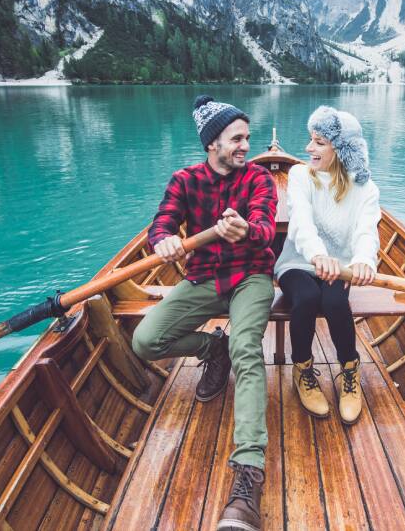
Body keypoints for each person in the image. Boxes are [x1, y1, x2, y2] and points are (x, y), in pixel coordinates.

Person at [131, 95, 277, 531]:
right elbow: (162, 222)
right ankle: (215, 348)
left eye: (247, 138)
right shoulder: (184, 180)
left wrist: (247, 230)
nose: (245, 146)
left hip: (251, 274)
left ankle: (248, 475)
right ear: (212, 142)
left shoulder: (259, 179)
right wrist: (163, 240)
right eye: (237, 138)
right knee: (145, 341)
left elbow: (267, 227)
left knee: (249, 349)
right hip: (203, 279)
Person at [274, 105, 380, 424]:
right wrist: (318, 255)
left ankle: (349, 371)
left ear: (341, 148)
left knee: (335, 301)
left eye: (319, 141)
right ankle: (303, 369)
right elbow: (301, 223)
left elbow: (366, 231)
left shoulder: (366, 189)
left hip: (342, 267)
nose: (308, 148)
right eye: (311, 139)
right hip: (298, 263)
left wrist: (362, 261)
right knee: (306, 298)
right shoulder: (298, 176)